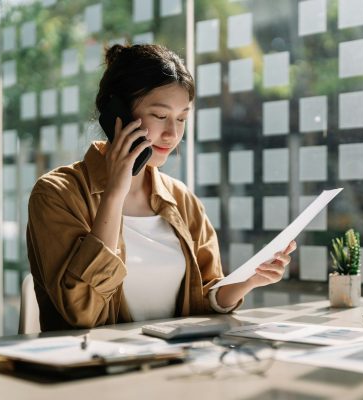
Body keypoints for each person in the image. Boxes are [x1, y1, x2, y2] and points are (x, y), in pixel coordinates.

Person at [26, 44, 296, 331]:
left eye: (181, 118)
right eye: (159, 116)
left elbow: (201, 299)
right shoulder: (56, 194)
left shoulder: (182, 200)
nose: (172, 134)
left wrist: (248, 280)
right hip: (96, 368)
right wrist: (115, 192)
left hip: (171, 362)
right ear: (117, 113)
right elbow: (81, 313)